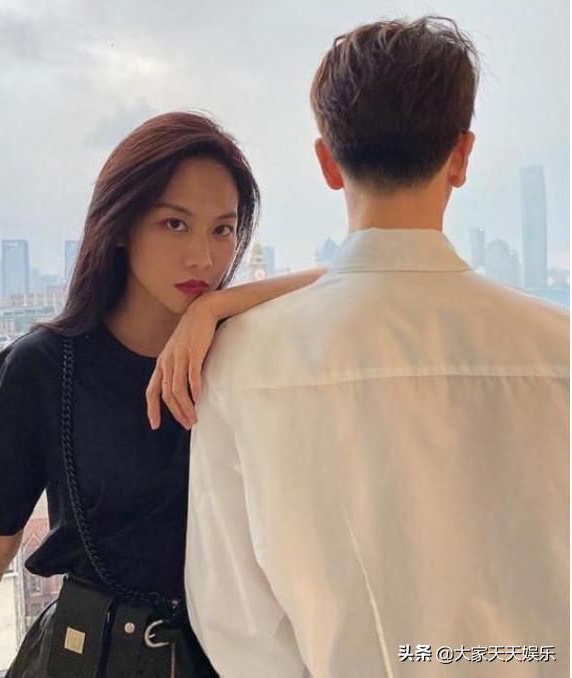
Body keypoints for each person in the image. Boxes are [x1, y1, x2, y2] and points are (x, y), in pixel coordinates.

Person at [185, 16, 569, 677]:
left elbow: (236, 624)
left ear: (327, 163)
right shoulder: (559, 350)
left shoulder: (242, 361)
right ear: (462, 156)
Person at [0, 112, 326, 678]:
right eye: (175, 224)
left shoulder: (243, 355)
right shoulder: (44, 366)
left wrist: (214, 307)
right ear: (121, 225)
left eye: (222, 230)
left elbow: (346, 280)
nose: (203, 258)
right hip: (94, 656)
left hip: (234, 660)